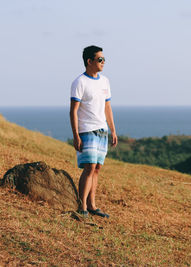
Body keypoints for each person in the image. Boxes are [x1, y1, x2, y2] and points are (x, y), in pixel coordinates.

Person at [69, 45, 118, 218]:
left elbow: (107, 107)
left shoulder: (105, 81)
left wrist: (113, 130)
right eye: (100, 59)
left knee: (96, 168)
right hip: (87, 130)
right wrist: (76, 135)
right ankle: (81, 206)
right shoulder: (79, 82)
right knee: (89, 167)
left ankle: (92, 205)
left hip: (102, 130)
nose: (103, 62)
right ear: (89, 61)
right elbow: (73, 110)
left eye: (104, 59)